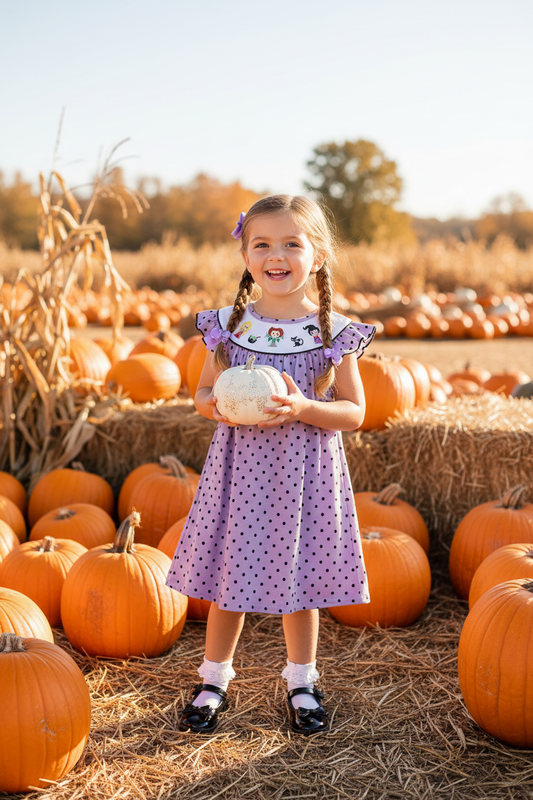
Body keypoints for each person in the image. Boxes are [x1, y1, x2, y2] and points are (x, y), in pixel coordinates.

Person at [166, 195, 375, 736]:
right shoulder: (230, 327)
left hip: (304, 475)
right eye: (262, 243)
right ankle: (214, 678)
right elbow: (203, 392)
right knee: (230, 578)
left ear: (318, 255)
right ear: (246, 253)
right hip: (242, 471)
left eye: (291, 243)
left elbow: (354, 411)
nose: (276, 254)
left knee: (298, 580)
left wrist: (304, 407)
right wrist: (218, 404)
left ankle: (302, 680)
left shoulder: (333, 331)